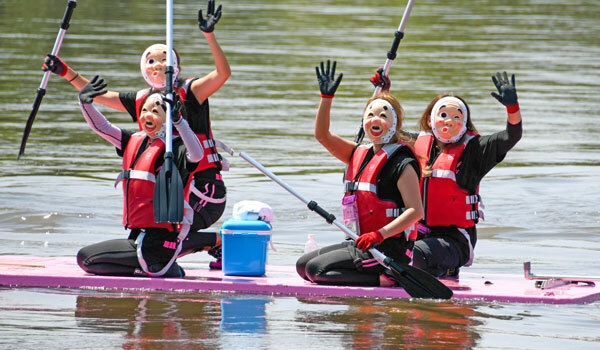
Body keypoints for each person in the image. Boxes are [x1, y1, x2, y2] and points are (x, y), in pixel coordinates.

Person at [43, 0, 230, 268]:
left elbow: (223, 74)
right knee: (151, 230)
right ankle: (159, 255)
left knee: (167, 232)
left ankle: (217, 241)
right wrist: (65, 72)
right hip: (171, 184)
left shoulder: (191, 91)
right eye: (150, 60)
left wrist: (209, 36)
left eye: (163, 59)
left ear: (175, 64)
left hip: (202, 187)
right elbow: (99, 97)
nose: (156, 64)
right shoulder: (145, 101)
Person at [295, 60, 424, 287]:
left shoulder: (403, 162)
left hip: (386, 249)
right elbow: (322, 135)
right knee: (302, 265)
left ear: (395, 123)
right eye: (371, 114)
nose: (376, 119)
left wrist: (379, 235)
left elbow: (416, 211)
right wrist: (326, 99)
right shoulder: (359, 153)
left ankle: (387, 278)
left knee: (317, 270)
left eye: (384, 116)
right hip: (359, 242)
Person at [76, 76, 206, 277]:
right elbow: (103, 127)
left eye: (156, 111)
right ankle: (163, 270)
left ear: (168, 117)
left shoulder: (177, 148)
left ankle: (158, 268)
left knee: (85, 258)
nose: (148, 115)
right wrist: (85, 103)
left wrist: (180, 122)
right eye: (144, 110)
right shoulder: (133, 141)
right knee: (89, 262)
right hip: (139, 236)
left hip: (160, 241)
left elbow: (197, 154)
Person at [409, 72, 523, 277]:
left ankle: (440, 271)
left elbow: (511, 136)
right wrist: (383, 94)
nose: (449, 121)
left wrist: (512, 108)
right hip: (417, 235)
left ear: (464, 122)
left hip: (455, 241)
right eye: (443, 115)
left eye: (456, 117)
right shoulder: (414, 144)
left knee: (412, 254)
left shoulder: (476, 150)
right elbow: (384, 130)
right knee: (389, 251)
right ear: (430, 119)